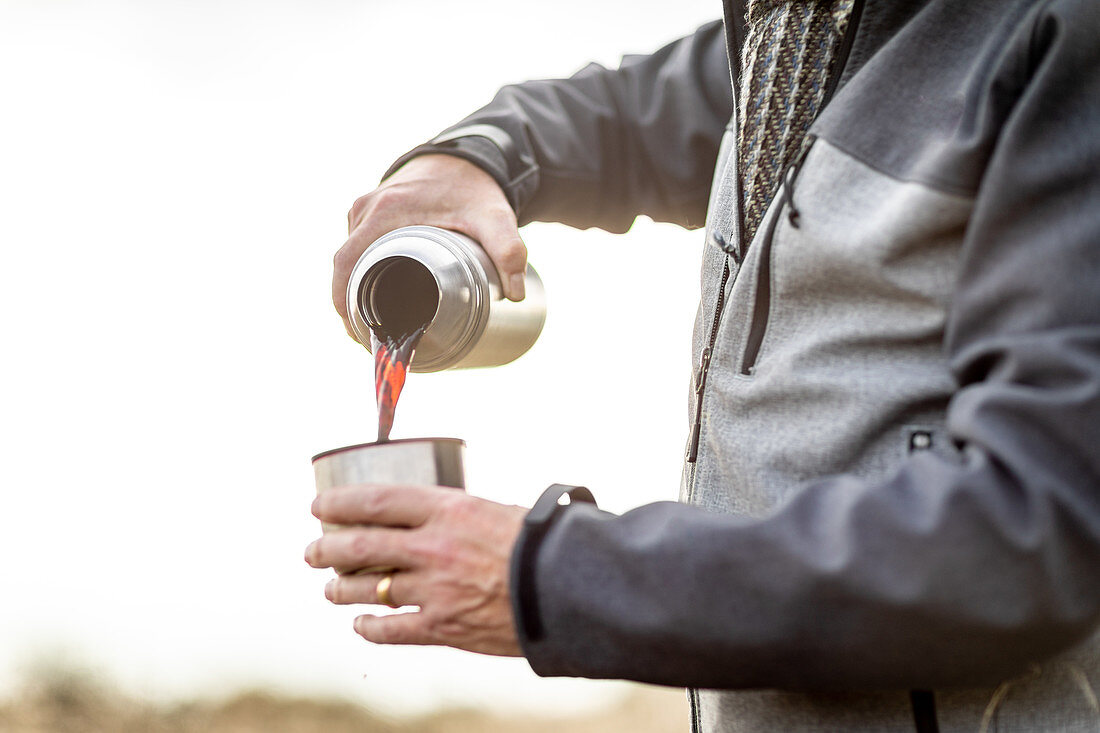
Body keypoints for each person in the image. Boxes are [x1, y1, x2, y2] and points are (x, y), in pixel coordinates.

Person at [304, 0, 1100, 730]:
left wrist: (557, 578)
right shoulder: (800, 23)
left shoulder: (1054, 37)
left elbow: (1032, 534)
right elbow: (634, 115)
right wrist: (474, 157)